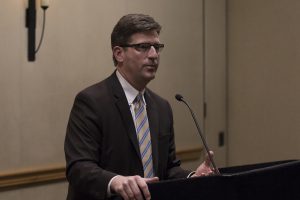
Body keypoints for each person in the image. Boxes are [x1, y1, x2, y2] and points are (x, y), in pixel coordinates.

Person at [64, 14, 214, 200]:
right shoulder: (91, 101)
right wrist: (116, 181)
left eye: (157, 47)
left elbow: (168, 169)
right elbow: (79, 168)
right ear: (119, 53)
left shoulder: (162, 107)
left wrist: (193, 177)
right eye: (143, 47)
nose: (153, 55)